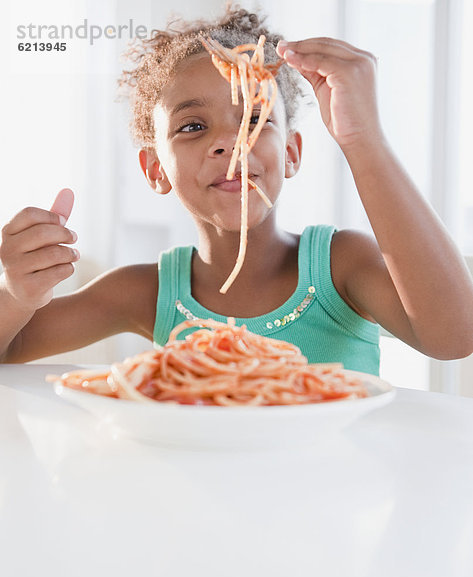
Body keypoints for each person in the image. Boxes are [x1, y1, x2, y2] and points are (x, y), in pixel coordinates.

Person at [1, 6, 472, 374]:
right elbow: (11, 346)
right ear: (155, 170)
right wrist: (18, 291)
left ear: (290, 153)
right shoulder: (147, 291)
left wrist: (363, 139)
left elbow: (454, 336)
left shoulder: (340, 265)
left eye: (253, 118)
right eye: (192, 125)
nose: (229, 141)